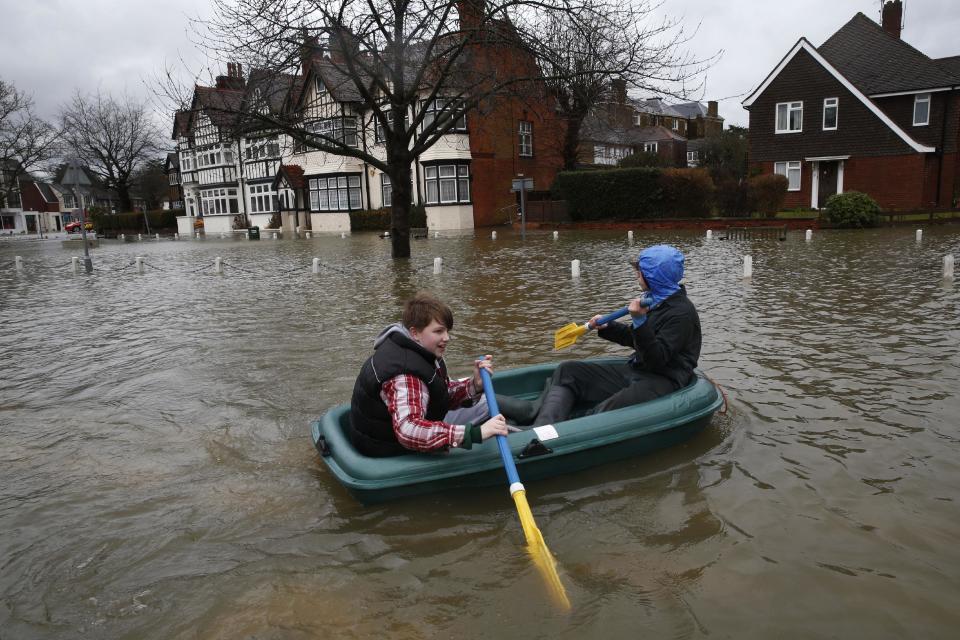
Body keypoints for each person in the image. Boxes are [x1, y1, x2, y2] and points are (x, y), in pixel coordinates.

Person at [532, 244, 702, 426]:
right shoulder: (656, 299)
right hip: (639, 369)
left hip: (663, 379)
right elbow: (637, 339)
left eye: (640, 272)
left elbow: (656, 358)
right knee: (568, 371)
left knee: (605, 412)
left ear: (655, 277)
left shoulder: (681, 314)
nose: (637, 276)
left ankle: (565, 431)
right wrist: (609, 327)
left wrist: (640, 321)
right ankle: (541, 426)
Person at [349, 293, 509, 457]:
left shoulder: (420, 350)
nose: (447, 338)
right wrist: (475, 434)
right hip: (390, 449)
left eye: (447, 330)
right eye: (438, 331)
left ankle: (527, 416)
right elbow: (409, 430)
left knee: (484, 402)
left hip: (386, 435)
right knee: (487, 410)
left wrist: (474, 385)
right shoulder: (404, 373)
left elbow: (440, 394)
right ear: (415, 333)